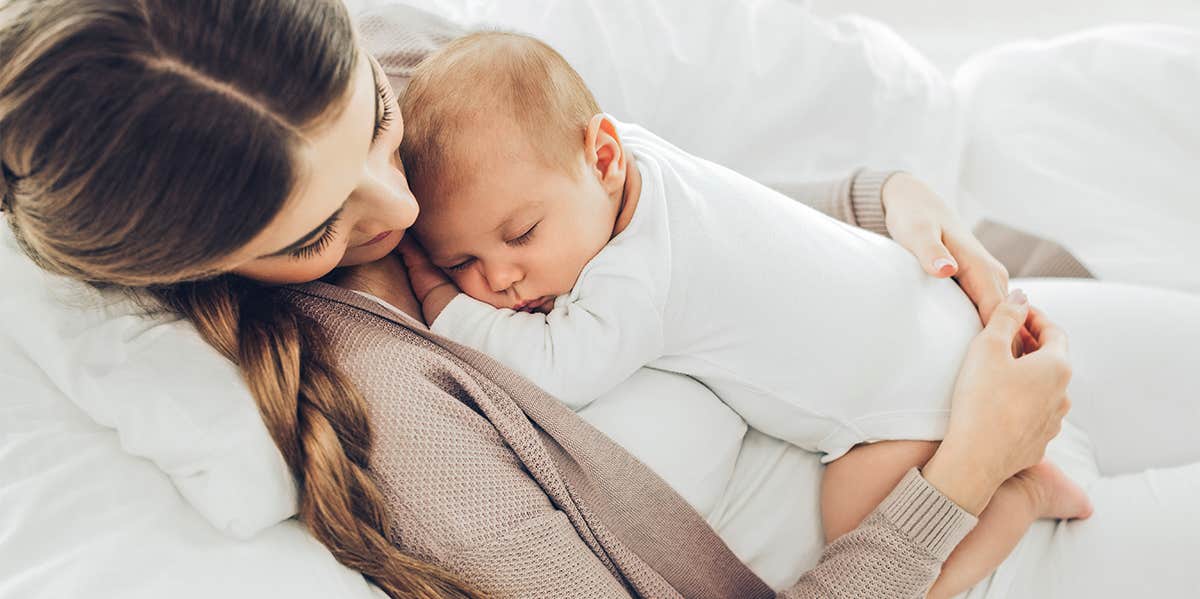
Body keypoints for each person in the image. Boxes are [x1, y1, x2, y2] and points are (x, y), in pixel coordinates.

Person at [1, 1, 1188, 597]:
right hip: (946, 544)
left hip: (962, 346)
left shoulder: (433, 73)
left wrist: (878, 195)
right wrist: (967, 472)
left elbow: (652, 207)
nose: (400, 210)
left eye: (375, 120)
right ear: (198, 263)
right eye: (317, 231)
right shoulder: (404, 434)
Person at [389, 31, 1089, 598]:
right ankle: (1020, 468)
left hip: (901, 410)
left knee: (859, 523)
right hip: (927, 310)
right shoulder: (641, 161)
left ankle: (1015, 496)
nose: (502, 279)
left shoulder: (634, 279)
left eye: (519, 236)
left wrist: (445, 300)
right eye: (462, 262)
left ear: (601, 155)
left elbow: (558, 367)